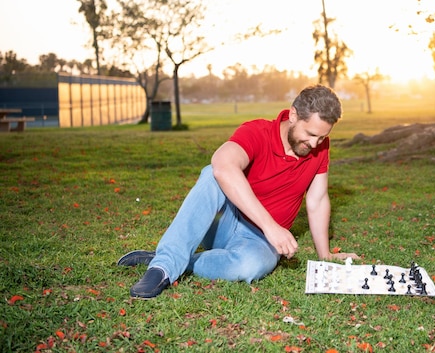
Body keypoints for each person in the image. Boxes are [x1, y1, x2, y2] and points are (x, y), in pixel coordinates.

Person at [117, 85, 358, 298]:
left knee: (249, 266)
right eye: (311, 134)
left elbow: (317, 200)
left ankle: (180, 259)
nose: (315, 144)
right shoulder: (258, 132)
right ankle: (164, 265)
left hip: (258, 242)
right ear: (293, 115)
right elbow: (222, 165)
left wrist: (324, 254)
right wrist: (271, 226)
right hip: (226, 221)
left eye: (323, 137)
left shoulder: (319, 148)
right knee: (213, 172)